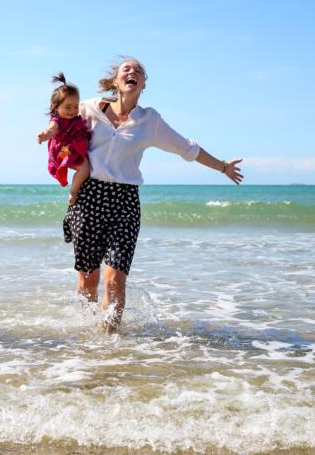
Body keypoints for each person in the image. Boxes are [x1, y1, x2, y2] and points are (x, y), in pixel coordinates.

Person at [63, 58, 243, 332]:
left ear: (143, 84)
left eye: (139, 71)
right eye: (127, 69)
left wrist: (222, 167)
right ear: (115, 81)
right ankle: (85, 338)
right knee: (88, 279)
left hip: (125, 203)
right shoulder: (88, 108)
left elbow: (187, 148)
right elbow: (60, 122)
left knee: (114, 280)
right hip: (89, 198)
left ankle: (109, 345)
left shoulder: (150, 121)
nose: (132, 72)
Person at [38, 73, 90, 204]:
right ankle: (73, 191)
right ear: (56, 107)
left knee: (88, 165)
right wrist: (45, 135)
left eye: (76, 106)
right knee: (84, 168)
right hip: (63, 150)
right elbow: (51, 129)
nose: (72, 110)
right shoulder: (57, 121)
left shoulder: (76, 119)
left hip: (72, 147)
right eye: (67, 107)